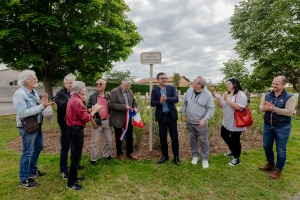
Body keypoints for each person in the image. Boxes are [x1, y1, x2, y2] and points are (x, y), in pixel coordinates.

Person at [12, 70, 54, 188]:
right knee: (27, 153)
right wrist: (42, 106)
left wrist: (42, 102)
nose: (36, 80)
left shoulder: (34, 92)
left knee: (38, 148)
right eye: (34, 78)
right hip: (27, 127)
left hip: (37, 125)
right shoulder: (20, 94)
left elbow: (36, 108)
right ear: (26, 81)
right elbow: (22, 113)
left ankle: (32, 170)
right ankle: (24, 179)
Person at [258, 76, 296, 180]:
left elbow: (289, 112)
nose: (273, 85)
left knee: (281, 150)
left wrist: (274, 109)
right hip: (268, 126)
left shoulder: (290, 97)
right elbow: (260, 108)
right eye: (273, 83)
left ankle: (278, 169)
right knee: (266, 146)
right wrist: (264, 108)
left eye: (276, 84)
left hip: (282, 127)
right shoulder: (268, 95)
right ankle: (270, 164)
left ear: (284, 85)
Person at [66, 81, 100, 190]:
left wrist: (91, 109)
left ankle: (74, 178)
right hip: (76, 131)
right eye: (84, 87)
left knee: (75, 155)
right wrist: (94, 111)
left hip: (74, 130)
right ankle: (71, 183)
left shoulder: (75, 99)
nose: (85, 89)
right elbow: (86, 118)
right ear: (80, 90)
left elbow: (83, 112)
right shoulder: (77, 101)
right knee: (76, 157)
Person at [181, 76, 215, 168]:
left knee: (204, 140)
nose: (192, 82)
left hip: (201, 123)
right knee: (193, 138)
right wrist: (183, 113)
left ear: (199, 85)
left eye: (194, 81)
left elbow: (211, 109)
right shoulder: (189, 91)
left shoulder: (207, 94)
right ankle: (195, 155)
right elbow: (185, 103)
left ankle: (205, 159)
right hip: (190, 121)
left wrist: (205, 119)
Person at [213, 77, 247, 166]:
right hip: (227, 121)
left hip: (236, 122)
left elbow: (239, 107)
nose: (227, 85)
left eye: (228, 84)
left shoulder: (241, 94)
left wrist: (227, 100)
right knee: (224, 135)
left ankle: (236, 158)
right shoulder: (227, 94)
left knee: (235, 140)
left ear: (234, 84)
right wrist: (219, 98)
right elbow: (221, 106)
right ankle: (233, 151)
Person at [150, 72, 180, 166]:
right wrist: (160, 101)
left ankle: (176, 156)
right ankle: (165, 156)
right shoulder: (155, 90)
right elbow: (152, 103)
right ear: (157, 80)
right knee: (163, 137)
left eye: (165, 78)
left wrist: (166, 99)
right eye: (162, 78)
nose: (164, 80)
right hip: (161, 117)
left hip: (171, 116)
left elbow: (176, 99)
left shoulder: (171, 88)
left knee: (174, 137)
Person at [55, 74, 78, 180]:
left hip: (75, 124)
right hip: (65, 125)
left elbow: (81, 105)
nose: (72, 85)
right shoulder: (60, 94)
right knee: (65, 147)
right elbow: (64, 107)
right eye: (70, 83)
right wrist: (74, 100)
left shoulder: (74, 93)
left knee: (74, 146)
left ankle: (74, 165)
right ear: (64, 83)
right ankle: (63, 170)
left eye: (73, 83)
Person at [109, 77, 138, 162]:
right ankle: (119, 154)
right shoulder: (115, 91)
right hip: (118, 118)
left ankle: (130, 153)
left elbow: (134, 102)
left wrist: (135, 108)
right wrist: (124, 107)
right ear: (122, 83)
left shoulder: (130, 91)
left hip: (128, 118)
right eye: (126, 86)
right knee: (119, 136)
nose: (127, 88)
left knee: (130, 136)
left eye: (129, 86)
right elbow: (112, 104)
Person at [87, 79, 112, 165]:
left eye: (100, 84)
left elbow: (112, 106)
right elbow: (88, 110)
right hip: (97, 122)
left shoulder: (109, 96)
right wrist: (93, 122)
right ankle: (93, 159)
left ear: (104, 86)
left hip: (107, 122)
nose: (98, 85)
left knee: (109, 140)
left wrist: (110, 114)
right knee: (95, 142)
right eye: (97, 84)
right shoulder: (92, 96)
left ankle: (106, 155)